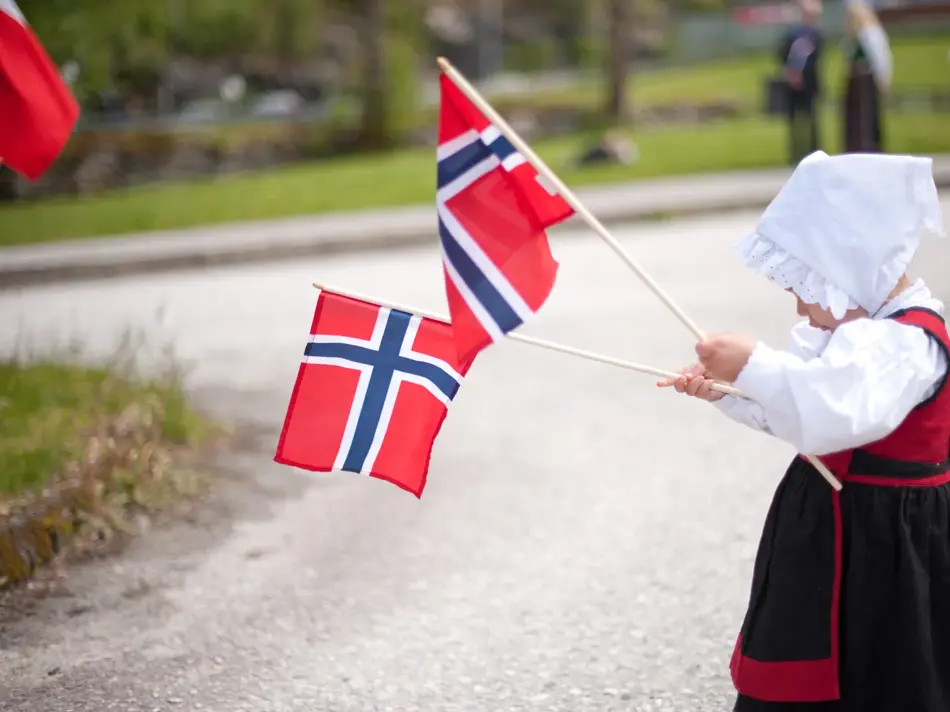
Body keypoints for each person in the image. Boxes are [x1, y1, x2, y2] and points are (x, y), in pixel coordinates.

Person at [657, 150, 948, 710]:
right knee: (811, 652)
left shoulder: (902, 342)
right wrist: (731, 390)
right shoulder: (864, 333)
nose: (796, 301)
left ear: (845, 264)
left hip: (885, 539)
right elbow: (801, 409)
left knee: (883, 665)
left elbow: (833, 413)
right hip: (839, 526)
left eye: (802, 281)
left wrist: (754, 365)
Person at [777, 0, 824, 164]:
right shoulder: (792, 34)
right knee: (793, 121)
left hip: (809, 83)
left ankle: (814, 153)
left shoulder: (816, 34)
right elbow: (781, 54)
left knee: (812, 120)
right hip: (791, 84)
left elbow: (816, 56)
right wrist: (789, 72)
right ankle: (795, 154)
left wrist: (801, 73)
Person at [842, 0, 893, 153]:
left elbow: (881, 57)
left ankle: (871, 146)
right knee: (856, 118)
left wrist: (883, 78)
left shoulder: (870, 34)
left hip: (867, 80)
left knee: (867, 116)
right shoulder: (853, 36)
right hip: (855, 81)